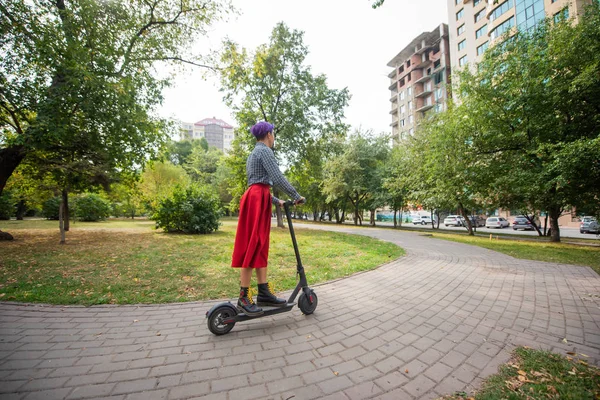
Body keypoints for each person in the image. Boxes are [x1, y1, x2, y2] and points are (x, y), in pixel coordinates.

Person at [231, 121, 305, 316]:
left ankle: (263, 292)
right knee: (252, 245)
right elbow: (277, 177)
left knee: (260, 245)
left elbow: (257, 183)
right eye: (273, 134)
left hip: (258, 198)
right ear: (269, 135)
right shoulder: (264, 151)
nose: (274, 138)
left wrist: (275, 200)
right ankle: (244, 297)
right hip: (256, 199)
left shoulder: (254, 152)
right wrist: (296, 195)